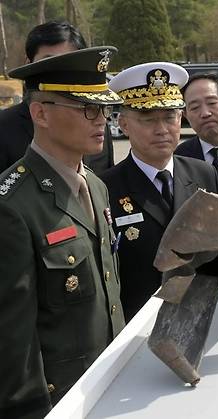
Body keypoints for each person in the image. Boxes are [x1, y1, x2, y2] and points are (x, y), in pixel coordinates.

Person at [0, 46, 125, 417]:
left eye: (105, 108)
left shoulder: (96, 185)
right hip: (58, 402)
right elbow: (13, 339)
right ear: (40, 113)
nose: (101, 119)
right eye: (88, 108)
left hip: (106, 385)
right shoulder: (11, 206)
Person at [101, 62, 218, 320]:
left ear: (180, 118)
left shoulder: (204, 173)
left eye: (169, 117)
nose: (162, 129)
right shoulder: (105, 187)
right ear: (123, 124)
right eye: (148, 119)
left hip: (200, 313)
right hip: (137, 322)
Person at [0, 20, 115, 174]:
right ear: (29, 65)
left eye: (70, 62)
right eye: (49, 61)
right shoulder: (4, 127)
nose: (60, 71)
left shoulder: (98, 127)